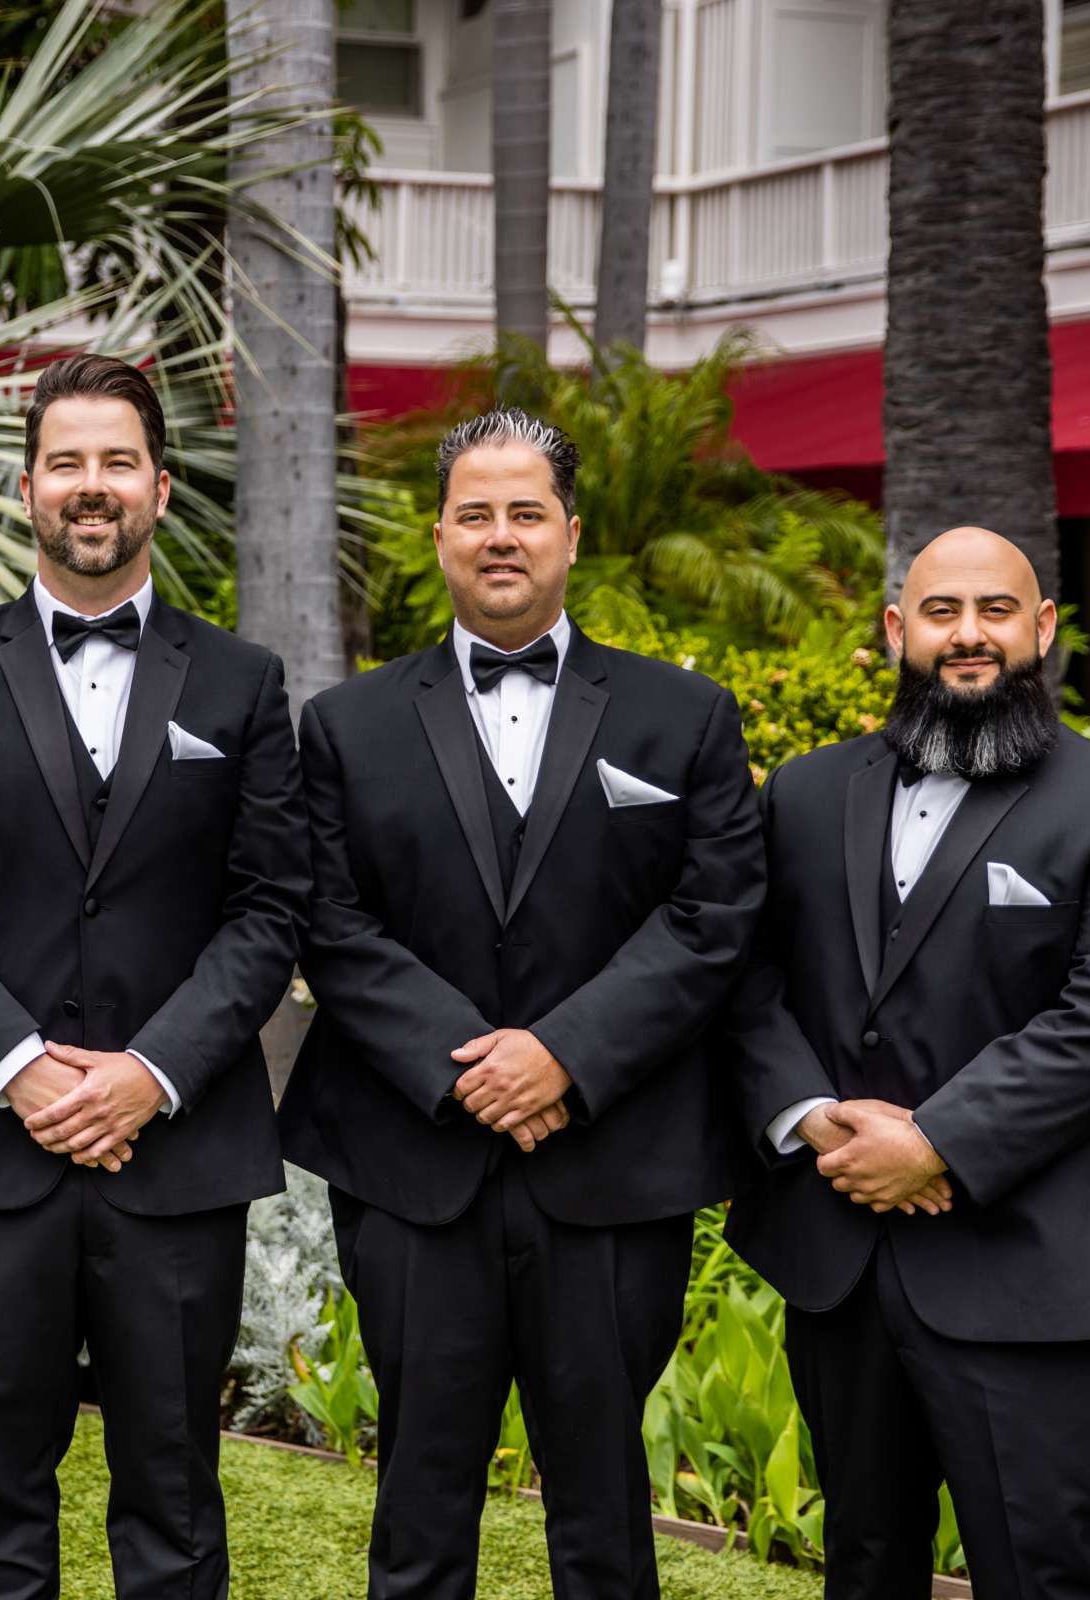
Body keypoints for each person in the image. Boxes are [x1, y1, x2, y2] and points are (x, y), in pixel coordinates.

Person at [278, 407, 766, 1599]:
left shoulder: (683, 716)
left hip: (613, 1164)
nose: (502, 537)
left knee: (605, 1507)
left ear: (571, 534)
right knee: (419, 1499)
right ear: (440, 536)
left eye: (527, 513)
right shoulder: (346, 725)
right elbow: (328, 922)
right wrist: (469, 1069)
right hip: (412, 1166)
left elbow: (714, 916)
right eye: (477, 514)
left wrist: (562, 1055)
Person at [0, 352, 309, 1599]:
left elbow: (271, 906)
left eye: (117, 462)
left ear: (160, 488)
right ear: (28, 486)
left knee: (174, 1488)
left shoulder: (242, 682)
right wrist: (22, 1067)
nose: (90, 486)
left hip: (177, 1153)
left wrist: (151, 1074)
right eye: (68, 463)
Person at [721, 525, 1090, 1599]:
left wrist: (935, 1142)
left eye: (996, 610)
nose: (968, 634)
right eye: (942, 611)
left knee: (1050, 1576)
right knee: (862, 1563)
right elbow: (747, 980)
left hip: (1035, 1270)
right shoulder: (802, 795)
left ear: (1041, 629)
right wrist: (808, 1117)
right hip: (839, 1261)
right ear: (899, 631)